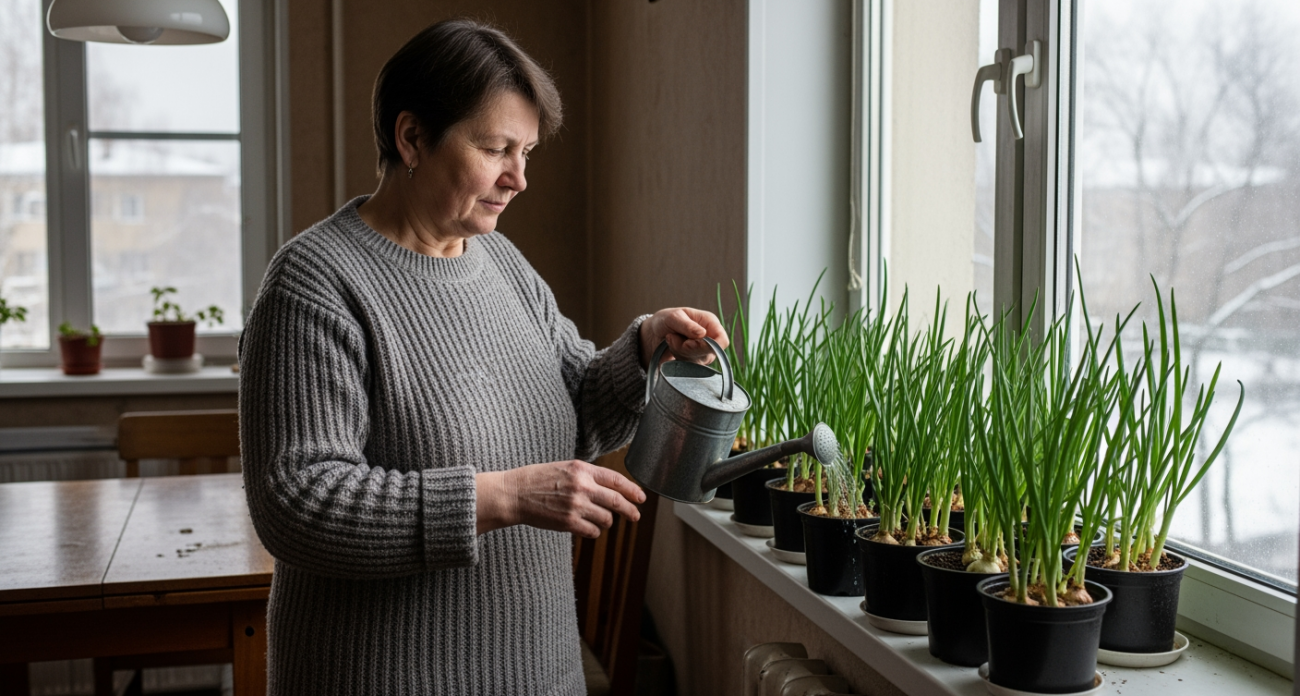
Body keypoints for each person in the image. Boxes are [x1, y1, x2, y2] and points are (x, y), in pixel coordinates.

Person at [238, 18, 728, 696]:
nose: (518, 178)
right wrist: (503, 496)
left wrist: (644, 348)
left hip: (541, 672)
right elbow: (297, 504)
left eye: (526, 152)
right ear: (412, 137)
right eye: (497, 148)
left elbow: (574, 409)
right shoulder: (315, 283)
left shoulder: (499, 261)